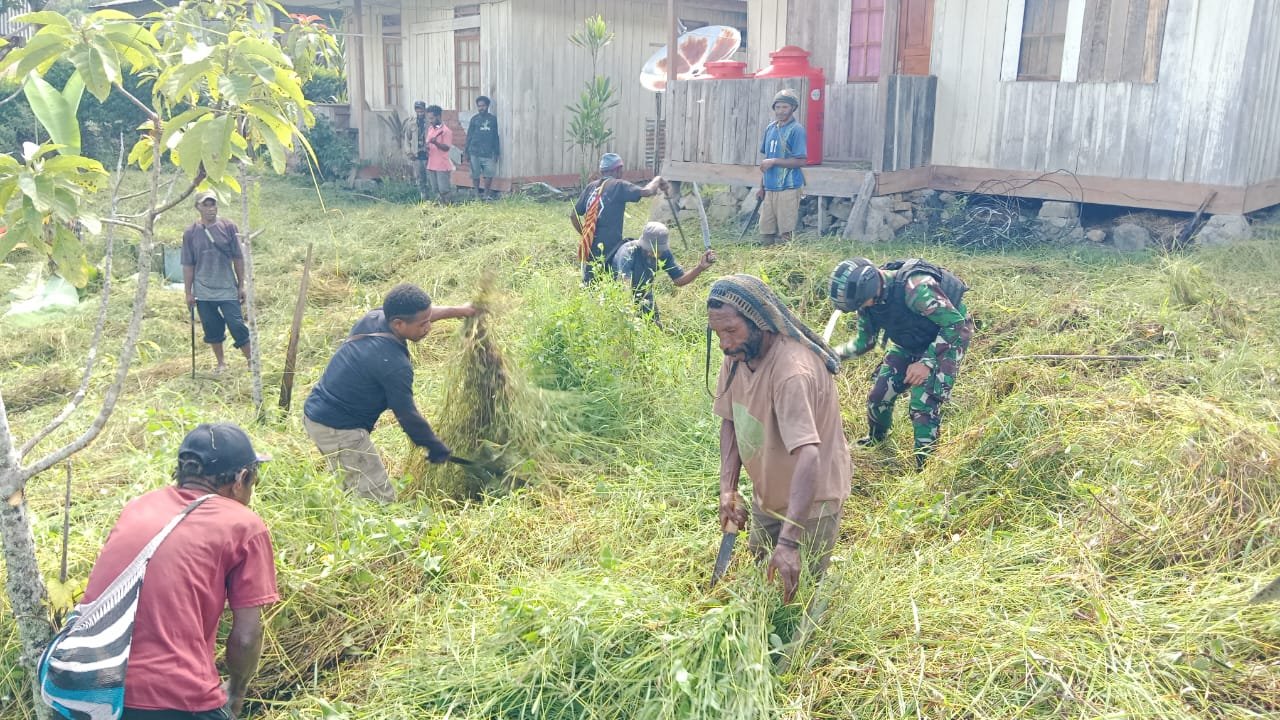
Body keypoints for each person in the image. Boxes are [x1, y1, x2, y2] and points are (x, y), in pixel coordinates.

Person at [80, 422, 277, 719]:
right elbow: (246, 637)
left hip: (87, 690)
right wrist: (236, 691)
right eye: (254, 481)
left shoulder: (138, 506)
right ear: (242, 479)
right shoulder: (243, 525)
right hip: (173, 697)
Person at [707, 274, 850, 603]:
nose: (725, 344)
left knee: (797, 594)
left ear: (760, 322)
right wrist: (728, 489)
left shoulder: (791, 373)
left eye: (731, 331)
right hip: (768, 495)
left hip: (811, 503)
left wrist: (788, 543)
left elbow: (809, 456)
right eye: (718, 333)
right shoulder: (736, 358)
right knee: (762, 575)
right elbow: (730, 419)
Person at [303, 283, 478, 502]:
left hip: (320, 410)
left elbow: (425, 314)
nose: (428, 327)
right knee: (379, 500)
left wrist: (461, 311)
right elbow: (406, 414)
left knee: (352, 482)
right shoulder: (394, 365)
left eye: (428, 320)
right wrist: (434, 445)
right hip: (337, 427)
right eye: (423, 324)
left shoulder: (375, 317)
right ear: (398, 324)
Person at [828, 257, 974, 468]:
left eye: (861, 303)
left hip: (948, 334)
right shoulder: (871, 301)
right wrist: (831, 354)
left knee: (922, 404)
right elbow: (864, 342)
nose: (861, 308)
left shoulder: (917, 289)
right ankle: (876, 439)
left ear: (869, 289)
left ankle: (926, 468)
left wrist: (926, 363)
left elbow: (954, 324)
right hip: (910, 337)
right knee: (879, 395)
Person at [569, 152, 667, 283]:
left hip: (590, 246)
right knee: (612, 285)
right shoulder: (618, 185)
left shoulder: (591, 187)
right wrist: (658, 179)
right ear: (618, 169)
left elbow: (573, 215)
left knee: (591, 286)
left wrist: (586, 234)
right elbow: (646, 192)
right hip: (611, 247)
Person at [182, 190, 249, 374]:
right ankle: (221, 363)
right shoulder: (190, 233)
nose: (211, 208)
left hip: (227, 287)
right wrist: (188, 292)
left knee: (236, 324)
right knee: (211, 328)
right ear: (198, 207)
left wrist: (241, 285)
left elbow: (238, 257)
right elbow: (188, 264)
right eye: (206, 204)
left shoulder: (229, 226)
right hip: (203, 290)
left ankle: (251, 362)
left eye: (213, 204)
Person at [610, 221, 716, 325]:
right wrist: (630, 314)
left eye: (655, 250)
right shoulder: (628, 252)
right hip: (617, 296)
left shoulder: (664, 254)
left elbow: (679, 280)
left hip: (644, 294)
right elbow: (624, 286)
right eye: (648, 248)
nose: (650, 252)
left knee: (655, 328)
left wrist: (700, 267)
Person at [756, 89, 807, 244]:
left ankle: (786, 261)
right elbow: (766, 161)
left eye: (785, 107)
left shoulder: (797, 130)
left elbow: (801, 161)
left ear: (793, 108)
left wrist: (774, 162)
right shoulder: (770, 128)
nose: (780, 111)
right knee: (766, 229)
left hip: (788, 187)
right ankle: (766, 262)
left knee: (786, 230)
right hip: (770, 187)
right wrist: (761, 187)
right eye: (778, 107)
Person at [463, 95, 501, 200]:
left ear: (487, 106)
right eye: (479, 106)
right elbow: (469, 135)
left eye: (483, 106)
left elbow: (496, 136)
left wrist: (497, 152)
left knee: (489, 175)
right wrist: (466, 151)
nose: (481, 108)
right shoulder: (474, 119)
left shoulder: (493, 120)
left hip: (488, 152)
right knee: (475, 174)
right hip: (474, 151)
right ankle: (476, 194)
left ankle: (486, 194)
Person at [424, 104, 456, 204]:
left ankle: (448, 206)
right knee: (435, 189)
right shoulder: (430, 129)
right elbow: (428, 143)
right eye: (429, 118)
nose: (430, 120)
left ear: (438, 117)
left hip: (442, 165)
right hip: (431, 164)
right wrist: (427, 147)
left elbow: (446, 148)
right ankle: (440, 206)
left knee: (444, 189)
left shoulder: (446, 131)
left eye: (432, 118)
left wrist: (436, 143)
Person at [407, 100, 432, 202]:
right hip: (416, 155)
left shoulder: (430, 122)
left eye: (421, 110)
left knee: (430, 177)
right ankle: (423, 197)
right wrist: (409, 152)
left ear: (424, 110)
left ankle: (432, 196)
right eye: (417, 110)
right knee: (419, 177)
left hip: (429, 154)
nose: (419, 112)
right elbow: (406, 139)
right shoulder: (411, 123)